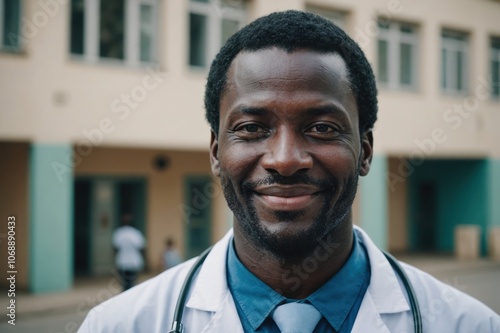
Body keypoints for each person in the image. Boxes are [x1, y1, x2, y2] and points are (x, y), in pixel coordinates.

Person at [79, 11, 500, 332]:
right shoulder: (118, 324)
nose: (284, 159)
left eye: (321, 128)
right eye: (251, 128)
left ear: (365, 151)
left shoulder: (469, 325)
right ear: (215, 151)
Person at [112, 213, 146, 291]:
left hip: (122, 261)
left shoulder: (118, 233)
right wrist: (144, 260)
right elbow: (141, 248)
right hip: (134, 262)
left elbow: (115, 248)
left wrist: (115, 260)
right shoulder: (136, 233)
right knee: (131, 283)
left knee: (125, 283)